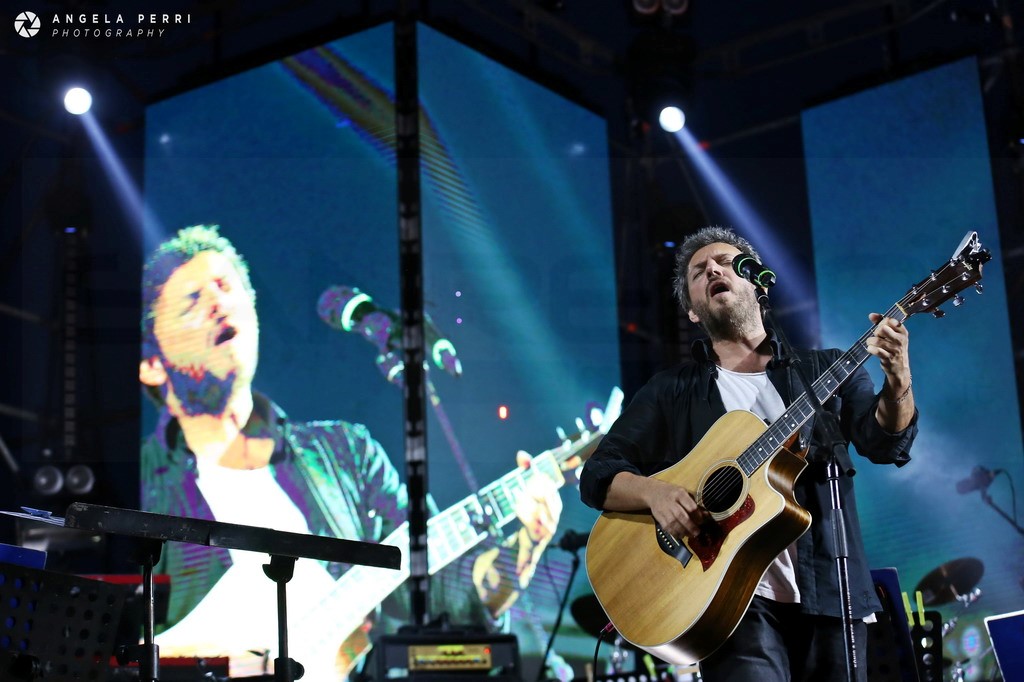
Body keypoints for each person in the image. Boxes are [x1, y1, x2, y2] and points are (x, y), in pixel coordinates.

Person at [139, 224, 561, 679]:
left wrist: (525, 547)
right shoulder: (140, 484)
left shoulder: (345, 453)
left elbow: (437, 590)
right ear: (151, 364)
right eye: (192, 302)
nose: (218, 303)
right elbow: (103, 626)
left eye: (226, 286)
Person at [579, 226, 917, 682]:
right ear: (692, 310)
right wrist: (655, 494)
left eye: (725, 262)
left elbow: (885, 442)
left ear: (758, 282)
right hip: (730, 604)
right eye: (699, 271)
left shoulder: (824, 370)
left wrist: (899, 379)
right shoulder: (672, 391)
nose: (713, 270)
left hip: (832, 593)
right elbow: (597, 473)